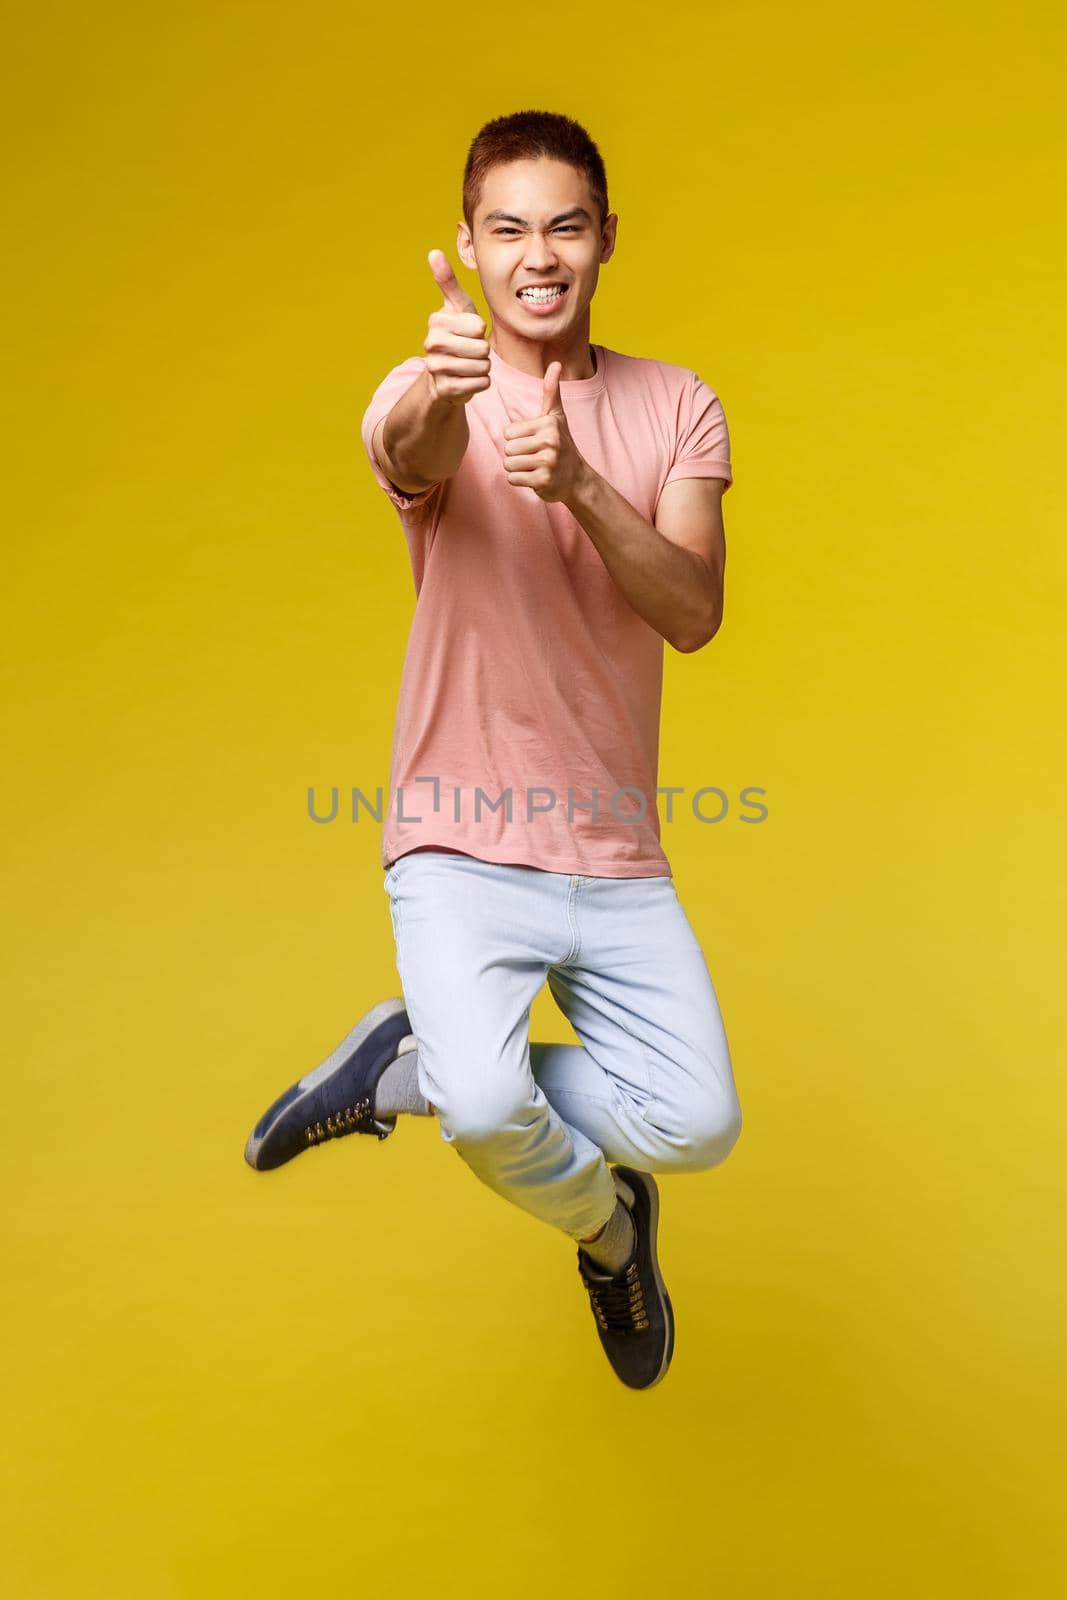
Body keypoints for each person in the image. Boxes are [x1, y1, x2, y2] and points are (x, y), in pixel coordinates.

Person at [244, 110, 743, 1391]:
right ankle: (605, 1230)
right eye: (506, 228)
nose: (536, 255)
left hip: (616, 852)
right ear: (468, 241)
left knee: (695, 1122)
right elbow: (408, 449)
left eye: (564, 225)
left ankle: (398, 1065)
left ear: (606, 240)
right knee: (484, 1105)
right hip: (458, 837)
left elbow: (691, 612)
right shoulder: (430, 392)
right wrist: (439, 390)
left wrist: (578, 482)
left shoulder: (675, 404)